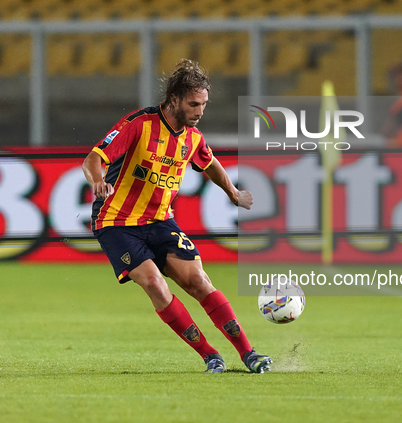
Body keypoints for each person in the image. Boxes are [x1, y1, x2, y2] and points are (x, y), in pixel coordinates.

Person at [82, 59, 272, 374]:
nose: (200, 111)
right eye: (193, 104)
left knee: (198, 280)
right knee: (156, 284)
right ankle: (210, 355)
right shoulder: (139, 124)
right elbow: (93, 158)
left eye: (204, 104)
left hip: (160, 221)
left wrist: (233, 193)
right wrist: (97, 181)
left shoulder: (192, 137)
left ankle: (249, 354)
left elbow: (209, 163)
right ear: (174, 100)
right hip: (117, 222)